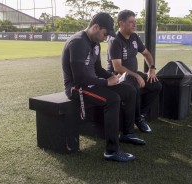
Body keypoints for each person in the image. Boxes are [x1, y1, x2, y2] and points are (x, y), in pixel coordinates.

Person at [61, 12, 145, 162]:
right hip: (76, 87)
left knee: (129, 90)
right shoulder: (78, 42)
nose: (106, 38)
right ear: (96, 27)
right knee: (113, 99)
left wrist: (113, 78)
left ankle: (127, 133)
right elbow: (79, 78)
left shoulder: (95, 43)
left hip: (92, 83)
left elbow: (98, 69)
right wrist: (107, 83)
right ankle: (112, 151)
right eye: (105, 34)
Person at [107, 10, 162, 133]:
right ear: (121, 23)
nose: (134, 25)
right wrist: (137, 76)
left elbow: (147, 54)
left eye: (135, 22)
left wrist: (151, 69)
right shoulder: (115, 41)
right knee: (134, 87)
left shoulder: (135, 37)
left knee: (156, 85)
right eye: (131, 22)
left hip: (133, 74)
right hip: (119, 76)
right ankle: (137, 119)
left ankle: (141, 115)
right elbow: (117, 67)